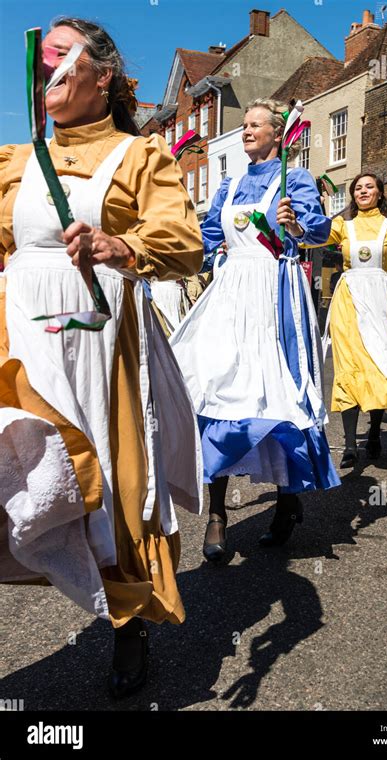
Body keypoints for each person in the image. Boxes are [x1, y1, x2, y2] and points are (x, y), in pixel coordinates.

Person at [0, 17, 203, 698]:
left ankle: (127, 625)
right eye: (40, 60)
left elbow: (181, 242)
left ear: (102, 76)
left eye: (61, 57)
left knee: (109, 487)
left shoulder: (140, 156)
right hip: (22, 341)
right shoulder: (14, 161)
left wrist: (122, 247)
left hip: (98, 341)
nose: (45, 69)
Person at [170, 98, 340, 563]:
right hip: (230, 293)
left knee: (275, 394)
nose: (245, 131)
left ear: (277, 135)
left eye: (254, 125)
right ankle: (217, 514)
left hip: (274, 294)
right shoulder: (229, 184)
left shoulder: (296, 179)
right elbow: (205, 238)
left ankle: (287, 502)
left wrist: (298, 223)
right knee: (213, 387)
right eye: (243, 125)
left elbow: (319, 232)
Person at [322, 173, 387, 468]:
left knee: (380, 363)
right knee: (349, 368)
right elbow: (312, 238)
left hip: (380, 300)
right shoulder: (343, 225)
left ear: (381, 193)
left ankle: (373, 432)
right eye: (357, 187)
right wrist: (319, 208)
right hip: (348, 301)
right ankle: (348, 446)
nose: (362, 191)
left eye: (369, 186)